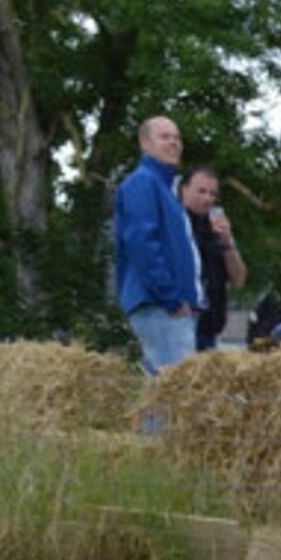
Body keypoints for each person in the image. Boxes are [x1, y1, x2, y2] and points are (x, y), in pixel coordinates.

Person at [113, 116, 200, 375]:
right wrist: (171, 298)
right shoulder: (142, 183)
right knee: (174, 391)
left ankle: (151, 420)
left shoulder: (163, 187)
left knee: (162, 393)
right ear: (144, 143)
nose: (174, 142)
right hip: (158, 304)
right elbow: (142, 243)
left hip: (164, 303)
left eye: (177, 137)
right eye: (165, 137)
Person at [179, 166, 248, 352]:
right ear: (184, 190)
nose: (207, 198)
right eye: (201, 191)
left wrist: (226, 242)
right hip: (179, 321)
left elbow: (239, 279)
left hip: (209, 324)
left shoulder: (216, 225)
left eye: (213, 194)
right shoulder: (176, 223)